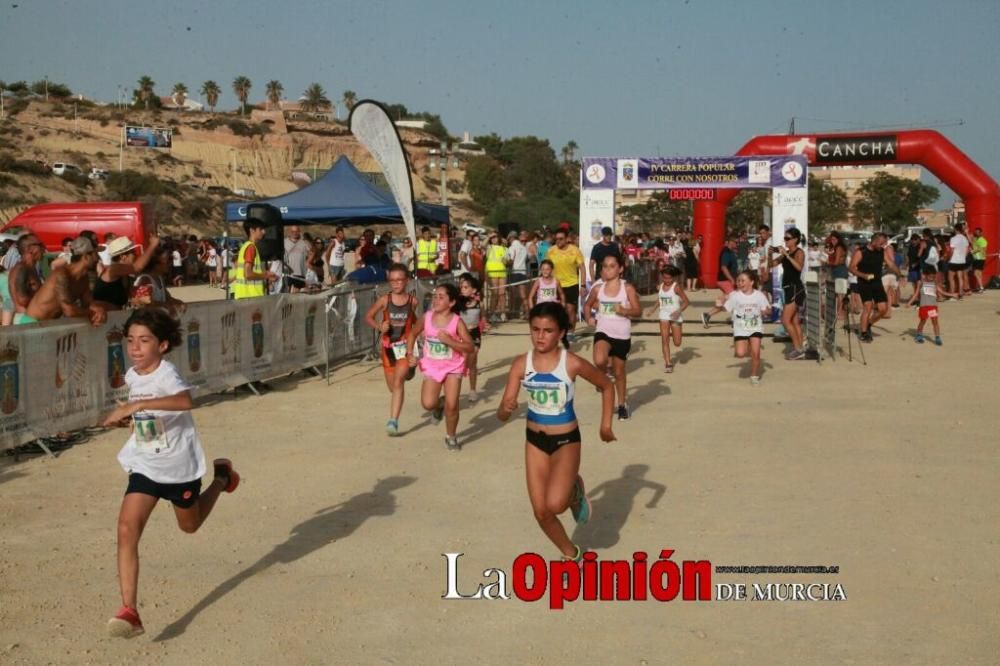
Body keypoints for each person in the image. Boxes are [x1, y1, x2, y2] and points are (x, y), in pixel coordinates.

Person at [99, 308, 239, 638]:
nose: (135, 347)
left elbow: (185, 401)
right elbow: (148, 418)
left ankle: (222, 479)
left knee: (189, 526)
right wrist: (130, 421)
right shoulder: (134, 374)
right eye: (130, 340)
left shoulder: (167, 374)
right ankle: (129, 611)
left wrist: (134, 407)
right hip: (147, 462)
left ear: (162, 345)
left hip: (178, 467)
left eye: (144, 340)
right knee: (125, 528)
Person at [496, 302, 615, 562]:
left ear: (561, 333)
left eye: (547, 330)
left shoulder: (570, 363)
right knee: (541, 512)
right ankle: (572, 554)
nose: (540, 336)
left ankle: (574, 491)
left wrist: (605, 425)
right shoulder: (520, 364)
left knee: (556, 504)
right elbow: (502, 415)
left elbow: (606, 386)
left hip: (565, 441)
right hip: (535, 442)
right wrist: (505, 408)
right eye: (535, 329)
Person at [407, 283, 475, 451]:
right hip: (432, 366)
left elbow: (470, 347)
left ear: (451, 303)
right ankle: (438, 406)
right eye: (435, 296)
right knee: (428, 404)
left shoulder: (457, 322)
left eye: (441, 297)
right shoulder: (427, 317)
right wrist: (410, 354)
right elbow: (412, 334)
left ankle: (451, 437)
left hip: (453, 366)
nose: (436, 300)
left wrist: (450, 341)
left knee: (452, 405)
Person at [583, 253, 641, 420]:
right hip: (603, 331)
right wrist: (588, 318)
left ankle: (622, 405)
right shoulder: (597, 289)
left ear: (620, 269)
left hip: (622, 335)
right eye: (605, 266)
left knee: (619, 372)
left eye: (612, 266)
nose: (607, 270)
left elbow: (638, 311)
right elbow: (587, 305)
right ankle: (601, 378)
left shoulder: (627, 288)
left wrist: (624, 311)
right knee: (600, 360)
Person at [364, 264, 417, 436]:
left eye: (399, 280)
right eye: (392, 280)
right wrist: (380, 326)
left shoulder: (412, 301)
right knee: (392, 387)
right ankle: (408, 374)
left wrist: (418, 339)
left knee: (399, 382)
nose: (396, 283)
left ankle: (393, 421)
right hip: (388, 349)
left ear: (407, 281)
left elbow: (415, 322)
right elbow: (368, 316)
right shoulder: (384, 300)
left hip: (404, 348)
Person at [25, 237, 107, 326]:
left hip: (45, 325)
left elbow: (88, 304)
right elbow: (69, 311)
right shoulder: (62, 274)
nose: (98, 258)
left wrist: (99, 310)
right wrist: (93, 313)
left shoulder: (83, 279)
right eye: (96, 254)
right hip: (30, 323)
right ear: (86, 257)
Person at [724, 270, 772, 385]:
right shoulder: (735, 296)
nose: (740, 283)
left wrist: (766, 311)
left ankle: (754, 375)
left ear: (751, 282)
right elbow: (726, 308)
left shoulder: (759, 295)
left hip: (755, 327)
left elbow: (768, 310)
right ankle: (745, 344)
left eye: (743, 281)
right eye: (739, 281)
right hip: (740, 327)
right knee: (740, 354)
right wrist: (719, 304)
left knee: (756, 353)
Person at [849, 232, 897, 342]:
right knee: (868, 306)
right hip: (863, 283)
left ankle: (868, 324)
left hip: (877, 282)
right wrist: (863, 275)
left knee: (883, 309)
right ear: (874, 241)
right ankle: (864, 332)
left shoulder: (882, 252)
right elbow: (851, 268)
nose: (883, 245)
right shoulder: (861, 252)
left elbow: (891, 264)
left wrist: (900, 275)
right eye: (882, 243)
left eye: (884, 243)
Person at [770, 228, 807, 359]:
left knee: (785, 321)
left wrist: (786, 255)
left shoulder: (799, 252)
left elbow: (799, 267)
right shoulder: (786, 253)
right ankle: (801, 346)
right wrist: (771, 253)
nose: (785, 241)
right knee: (795, 320)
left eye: (788, 238)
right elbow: (772, 264)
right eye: (785, 238)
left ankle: (798, 349)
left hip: (795, 288)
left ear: (795, 240)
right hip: (788, 288)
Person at [94, 236, 159, 311]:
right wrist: (153, 245)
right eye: (133, 253)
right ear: (123, 257)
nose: (135, 256)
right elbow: (137, 267)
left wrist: (139, 300)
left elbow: (127, 300)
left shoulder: (124, 275)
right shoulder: (113, 269)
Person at [644, 265, 689, 373]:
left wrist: (678, 311)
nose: (666, 280)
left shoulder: (676, 287)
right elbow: (659, 300)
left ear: (673, 278)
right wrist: (652, 310)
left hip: (675, 316)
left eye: (668, 278)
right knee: (664, 340)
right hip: (663, 315)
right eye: (664, 277)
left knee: (677, 342)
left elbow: (686, 302)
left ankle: (675, 338)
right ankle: (668, 363)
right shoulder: (660, 287)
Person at [546, 229, 585, 343]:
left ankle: (571, 333)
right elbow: (546, 267)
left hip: (571, 284)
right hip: (555, 285)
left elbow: (582, 268)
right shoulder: (551, 251)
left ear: (567, 239)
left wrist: (582, 285)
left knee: (570, 310)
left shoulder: (575, 250)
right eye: (556, 239)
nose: (558, 241)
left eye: (561, 239)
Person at [905, 266, 955, 346]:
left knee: (935, 321)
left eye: (933, 276)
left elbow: (941, 292)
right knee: (923, 321)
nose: (932, 278)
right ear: (925, 275)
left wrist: (952, 294)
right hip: (924, 306)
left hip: (932, 306)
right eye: (930, 276)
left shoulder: (934, 283)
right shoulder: (920, 283)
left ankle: (937, 337)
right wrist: (909, 303)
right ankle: (919, 334)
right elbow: (916, 294)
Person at [130, 245, 186, 315]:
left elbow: (167, 297)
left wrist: (178, 302)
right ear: (156, 264)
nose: (170, 264)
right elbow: (144, 303)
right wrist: (167, 306)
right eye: (167, 261)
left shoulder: (159, 278)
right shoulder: (144, 279)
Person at [458, 273, 489, 404]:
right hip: (462, 334)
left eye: (466, 287)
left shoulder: (479, 304)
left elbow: (483, 318)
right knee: (463, 364)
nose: (463, 289)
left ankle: (472, 390)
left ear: (473, 290)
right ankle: (456, 390)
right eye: (461, 287)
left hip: (475, 333)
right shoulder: (457, 305)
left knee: (473, 357)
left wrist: (486, 324)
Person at [230, 219, 277, 300]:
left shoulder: (246, 246)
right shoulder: (251, 247)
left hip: (245, 296)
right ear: (252, 230)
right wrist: (265, 275)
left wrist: (264, 275)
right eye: (260, 229)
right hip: (250, 298)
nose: (264, 232)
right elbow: (248, 274)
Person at [701, 237, 739, 327]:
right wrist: (731, 279)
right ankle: (735, 320)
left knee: (726, 300)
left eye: (736, 242)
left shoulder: (731, 252)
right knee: (735, 299)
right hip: (725, 280)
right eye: (735, 241)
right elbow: (723, 267)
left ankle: (707, 315)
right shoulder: (726, 252)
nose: (736, 244)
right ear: (729, 242)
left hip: (726, 280)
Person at [8, 234, 45, 325]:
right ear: (30, 249)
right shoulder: (21, 269)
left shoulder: (31, 268)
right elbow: (22, 299)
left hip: (31, 319)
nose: (44, 248)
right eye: (40, 245)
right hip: (25, 321)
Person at [484, 233, 508, 321]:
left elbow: (506, 261)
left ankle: (503, 313)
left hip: (502, 271)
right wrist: (489, 236)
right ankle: (492, 313)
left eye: (495, 237)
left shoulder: (504, 248)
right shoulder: (489, 247)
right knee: (494, 294)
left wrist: (506, 260)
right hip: (492, 272)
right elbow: (483, 245)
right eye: (492, 238)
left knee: (502, 294)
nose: (494, 239)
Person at [506, 231, 530, 318]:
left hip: (514, 272)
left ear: (511, 238)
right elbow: (527, 259)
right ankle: (527, 312)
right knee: (523, 295)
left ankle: (512, 313)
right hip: (523, 272)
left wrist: (505, 262)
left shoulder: (512, 247)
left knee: (512, 295)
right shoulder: (524, 248)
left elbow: (510, 261)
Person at [283, 225, 310, 293]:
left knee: (299, 296)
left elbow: (313, 251)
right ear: (289, 232)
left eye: (296, 231)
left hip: (301, 273)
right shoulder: (284, 242)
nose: (294, 233)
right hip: (288, 274)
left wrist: (309, 261)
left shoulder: (304, 242)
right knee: (289, 295)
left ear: (299, 232)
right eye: (292, 231)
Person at [947, 222, 971, 298]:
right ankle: (960, 293)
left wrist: (949, 258)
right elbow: (967, 250)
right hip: (962, 261)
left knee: (951, 278)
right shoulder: (965, 238)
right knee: (960, 277)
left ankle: (952, 294)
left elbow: (951, 250)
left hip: (954, 260)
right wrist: (963, 257)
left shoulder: (953, 238)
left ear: (956, 229)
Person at [970, 226, 988, 293]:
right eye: (976, 232)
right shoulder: (976, 239)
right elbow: (971, 241)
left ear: (981, 233)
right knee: (979, 274)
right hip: (977, 258)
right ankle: (980, 287)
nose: (976, 233)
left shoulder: (982, 240)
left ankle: (981, 287)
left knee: (975, 273)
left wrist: (973, 251)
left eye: (978, 232)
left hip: (980, 258)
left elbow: (983, 249)